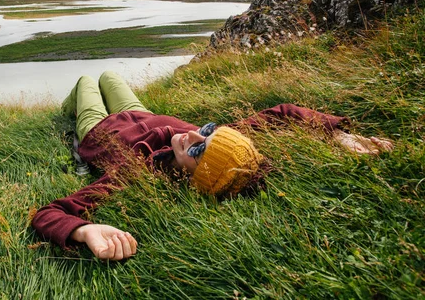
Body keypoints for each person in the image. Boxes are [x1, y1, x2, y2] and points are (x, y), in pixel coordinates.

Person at [32, 71, 393, 261]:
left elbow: (52, 212)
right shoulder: (225, 143)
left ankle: (67, 112)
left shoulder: (136, 173)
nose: (191, 137)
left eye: (199, 151)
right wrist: (339, 135)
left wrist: (84, 231)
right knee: (110, 74)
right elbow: (282, 113)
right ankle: (79, 102)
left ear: (194, 177)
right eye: (208, 132)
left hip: (99, 129)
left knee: (84, 83)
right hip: (139, 111)